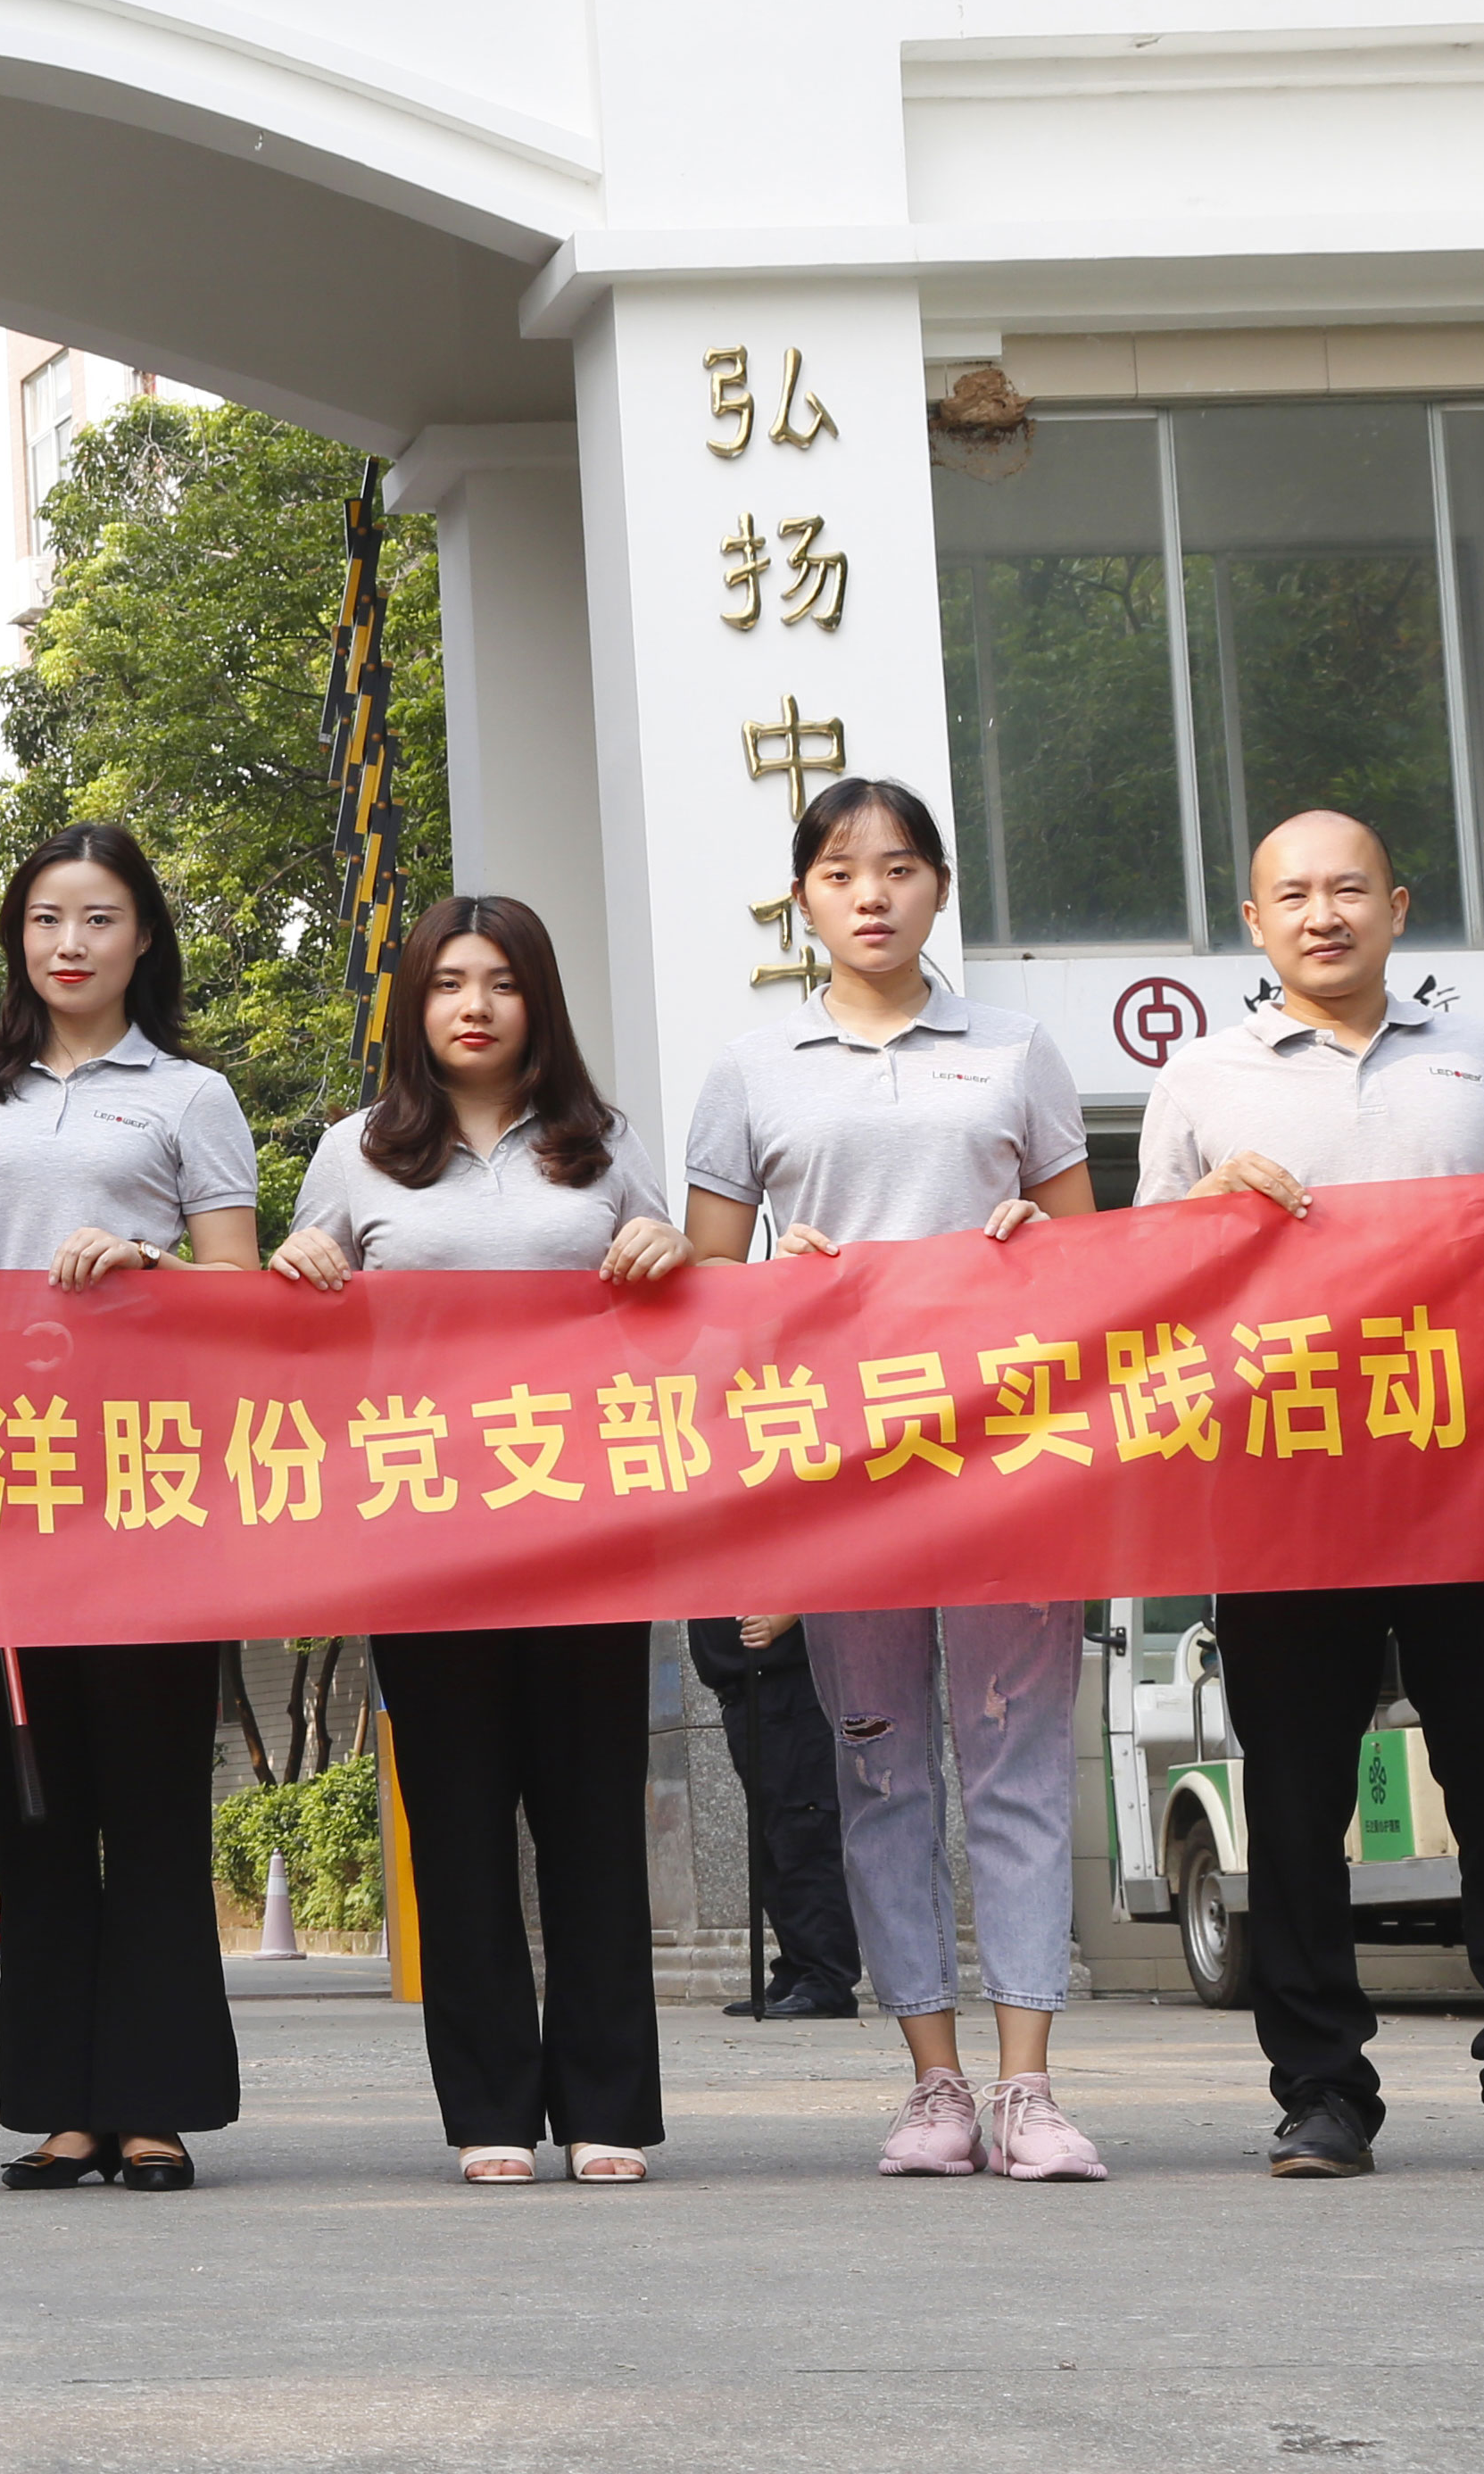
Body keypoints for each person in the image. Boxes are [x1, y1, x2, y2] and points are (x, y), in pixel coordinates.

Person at [1138, 808, 1484, 2179]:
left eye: (1347, 888)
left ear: (1397, 905)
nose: (1321, 914)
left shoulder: (1483, 1059)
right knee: (1294, 1803)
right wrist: (1201, 1214)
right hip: (1286, 1492)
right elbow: (1150, 1295)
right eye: (1290, 894)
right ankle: (1320, 2094)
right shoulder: (1202, 1080)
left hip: (1468, 1484)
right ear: (1253, 925)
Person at [684, 778, 1107, 2183]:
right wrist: (770, 1284)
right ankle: (931, 2083)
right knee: (880, 1776)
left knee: (1018, 1770)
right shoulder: (752, 1069)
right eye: (841, 872)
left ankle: (1028, 2087)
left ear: (938, 891)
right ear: (800, 899)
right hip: (843, 1472)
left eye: (902, 869)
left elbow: (1090, 1268)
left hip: (1006, 1470)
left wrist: (1023, 1248)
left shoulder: (1016, 1051)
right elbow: (699, 1296)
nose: (872, 895)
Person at [272, 893, 687, 2186]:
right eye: (447, 981)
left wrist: (664, 1246)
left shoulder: (599, 1146)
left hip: (586, 1536)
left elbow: (678, 1302)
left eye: (499, 982)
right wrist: (295, 1266)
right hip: (425, 1539)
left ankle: (607, 2103)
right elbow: (286, 1327)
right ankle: (490, 2112)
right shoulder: (355, 1152)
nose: (471, 1004)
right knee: (456, 1827)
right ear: (414, 1004)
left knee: (588, 1825)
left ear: (535, 1004)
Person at [0, 823, 253, 2196]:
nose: (70, 944)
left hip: (155, 1491)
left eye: (98, 919)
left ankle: (152, 2103)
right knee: (36, 1807)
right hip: (1, 1493)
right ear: (16, 941)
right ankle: (59, 2105)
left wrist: (149, 1262)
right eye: (46, 919)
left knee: (153, 1806)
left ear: (141, 937)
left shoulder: (191, 1095)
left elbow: (244, 1289)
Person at [684, 1616, 865, 2022]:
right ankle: (798, 1966)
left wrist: (787, 1614)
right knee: (773, 1842)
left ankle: (826, 1978)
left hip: (786, 1686)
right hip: (745, 1692)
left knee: (805, 1832)